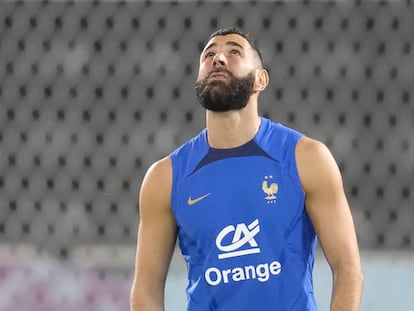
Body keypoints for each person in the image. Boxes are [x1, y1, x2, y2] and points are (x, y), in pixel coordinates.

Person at [130, 27, 363, 311]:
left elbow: (348, 269)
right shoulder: (165, 178)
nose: (218, 59)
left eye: (234, 51)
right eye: (209, 54)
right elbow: (146, 292)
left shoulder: (306, 158)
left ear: (261, 79)